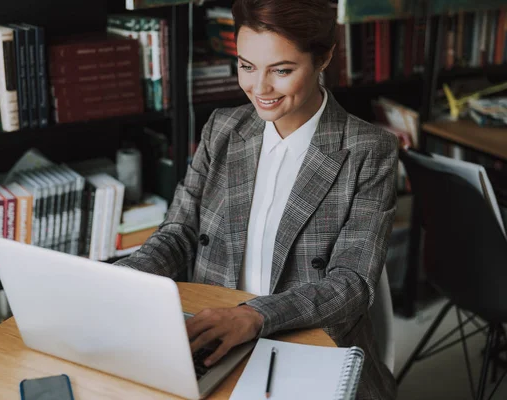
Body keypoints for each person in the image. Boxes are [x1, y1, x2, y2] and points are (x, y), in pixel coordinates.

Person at [115, 0, 398, 398]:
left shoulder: (369, 150)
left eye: (281, 71)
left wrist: (254, 316)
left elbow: (352, 283)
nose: (259, 88)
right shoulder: (223, 128)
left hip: (305, 340)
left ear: (324, 58)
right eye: (246, 66)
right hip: (212, 333)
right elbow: (179, 231)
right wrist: (125, 279)